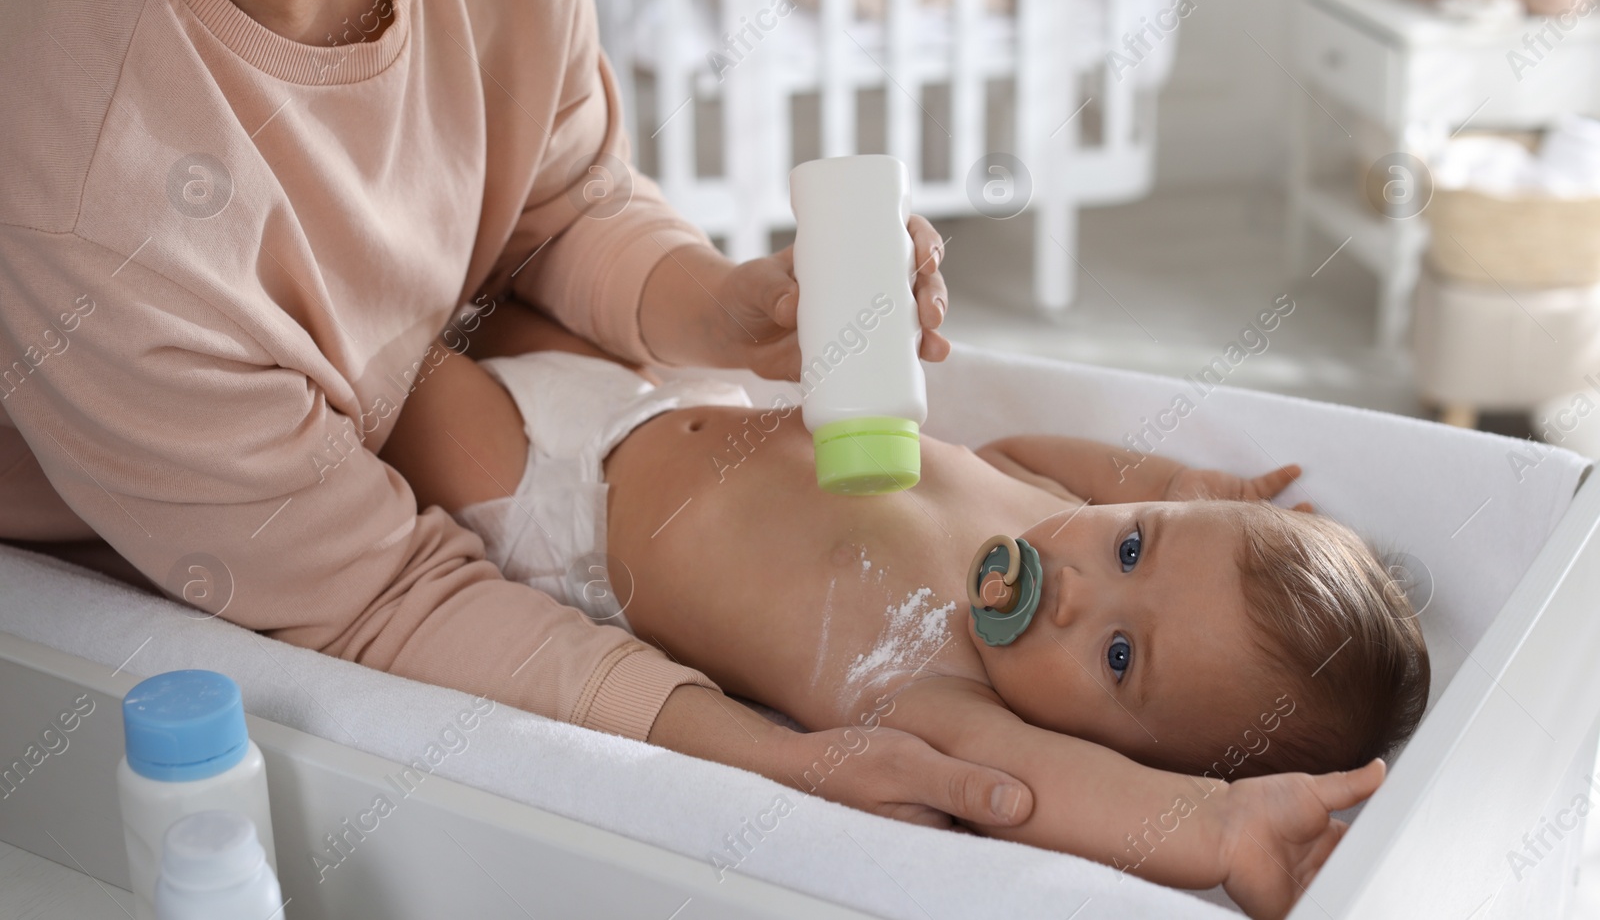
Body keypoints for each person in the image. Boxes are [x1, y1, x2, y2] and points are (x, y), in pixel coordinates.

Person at [0, 0, 1038, 830]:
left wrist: (723, 308)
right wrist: (750, 756)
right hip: (207, 519)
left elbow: (561, 202)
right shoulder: (86, 189)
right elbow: (380, 595)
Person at [375, 313, 1431, 920]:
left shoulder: (948, 697)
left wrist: (1220, 829)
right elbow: (1046, 456)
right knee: (506, 282)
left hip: (563, 504)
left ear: (1111, 740)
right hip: (663, 397)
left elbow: (1053, 798)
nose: (1074, 587)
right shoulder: (1058, 516)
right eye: (1133, 545)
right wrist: (1187, 480)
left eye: (1118, 654)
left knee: (399, 364)